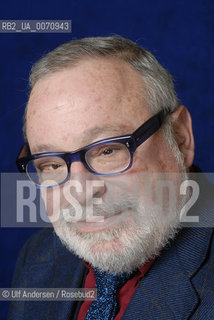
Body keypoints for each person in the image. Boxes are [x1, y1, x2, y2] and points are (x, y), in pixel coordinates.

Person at [9, 35, 214, 320]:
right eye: (51, 164)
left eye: (107, 150)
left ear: (180, 138)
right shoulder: (39, 258)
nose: (79, 193)